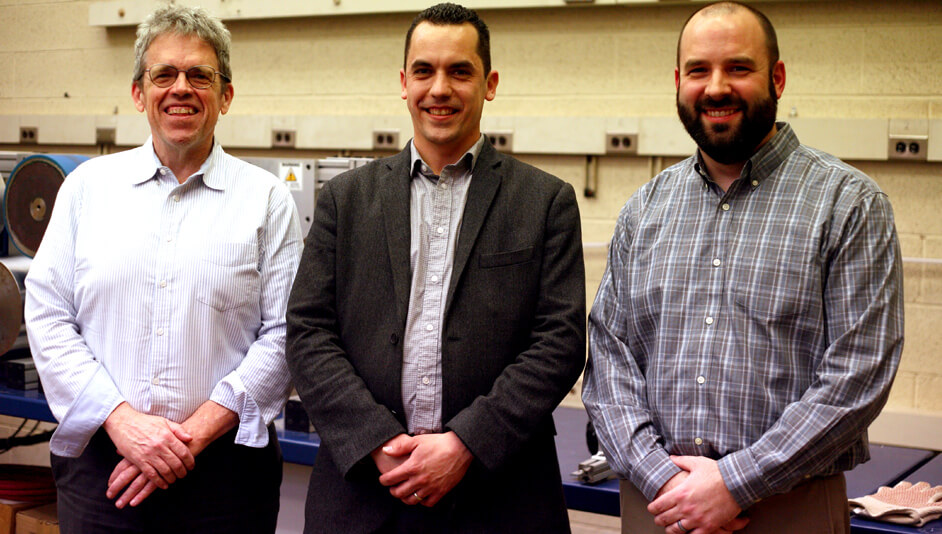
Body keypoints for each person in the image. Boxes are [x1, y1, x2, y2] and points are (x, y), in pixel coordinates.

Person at [582, 2, 903, 534]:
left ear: (776, 77)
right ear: (678, 81)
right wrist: (658, 476)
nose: (715, 87)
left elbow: (858, 373)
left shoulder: (848, 204)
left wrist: (736, 483)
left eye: (737, 67)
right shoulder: (644, 209)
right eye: (698, 70)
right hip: (658, 506)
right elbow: (610, 360)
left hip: (788, 507)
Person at [285, 3, 586, 533]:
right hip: (364, 491)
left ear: (489, 83)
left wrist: (468, 442)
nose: (439, 88)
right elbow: (309, 332)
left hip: (499, 497)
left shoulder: (545, 202)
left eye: (460, 71)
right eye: (424, 71)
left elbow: (558, 343)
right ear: (404, 83)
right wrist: (375, 439)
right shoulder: (345, 201)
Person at [24, 5, 302, 533]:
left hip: (225, 481)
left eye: (200, 75)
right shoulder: (87, 189)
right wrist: (123, 423)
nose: (181, 88)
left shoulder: (266, 200)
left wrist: (191, 436)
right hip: (105, 473)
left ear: (225, 95)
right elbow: (47, 314)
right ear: (138, 93)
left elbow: (287, 334)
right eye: (164, 75)